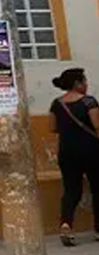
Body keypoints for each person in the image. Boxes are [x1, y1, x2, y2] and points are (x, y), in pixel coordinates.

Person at [49, 67, 99, 246]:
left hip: (67, 152)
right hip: (91, 151)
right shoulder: (89, 101)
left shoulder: (57, 103)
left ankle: (66, 225)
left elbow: (52, 127)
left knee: (71, 190)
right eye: (84, 81)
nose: (86, 84)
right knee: (97, 188)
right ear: (77, 83)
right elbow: (97, 125)